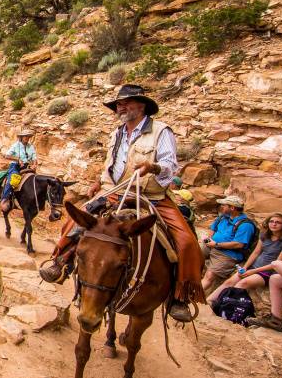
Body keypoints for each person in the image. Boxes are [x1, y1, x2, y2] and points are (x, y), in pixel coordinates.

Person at [41, 84, 205, 322]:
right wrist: (99, 182)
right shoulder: (117, 133)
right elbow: (113, 164)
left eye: (126, 103)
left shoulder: (161, 131)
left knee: (187, 241)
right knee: (75, 222)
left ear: (142, 105)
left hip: (150, 196)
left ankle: (180, 296)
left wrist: (153, 167)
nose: (121, 107)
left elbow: (171, 166)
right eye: (118, 104)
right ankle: (61, 262)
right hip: (114, 192)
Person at [206, 213, 282, 307]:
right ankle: (209, 301)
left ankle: (221, 306)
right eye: (271, 221)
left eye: (278, 222)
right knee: (229, 282)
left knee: (242, 284)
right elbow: (256, 253)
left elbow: (277, 265)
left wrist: (253, 271)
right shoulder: (265, 235)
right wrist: (245, 267)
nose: (274, 224)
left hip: (267, 272)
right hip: (253, 267)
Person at [201, 196, 258, 294]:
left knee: (209, 276)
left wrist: (217, 244)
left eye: (224, 205)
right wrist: (209, 238)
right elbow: (213, 228)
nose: (221, 207)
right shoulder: (223, 217)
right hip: (211, 245)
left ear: (232, 208)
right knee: (190, 255)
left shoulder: (246, 225)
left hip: (227, 254)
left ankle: (190, 296)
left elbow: (239, 244)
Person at [0, 129, 37, 205]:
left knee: (35, 180)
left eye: (28, 136)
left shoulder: (31, 147)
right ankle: (4, 199)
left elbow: (34, 158)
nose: (27, 138)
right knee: (13, 180)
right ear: (21, 137)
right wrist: (18, 159)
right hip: (15, 166)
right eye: (25, 136)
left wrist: (34, 165)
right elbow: (7, 155)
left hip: (27, 167)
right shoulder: (16, 145)